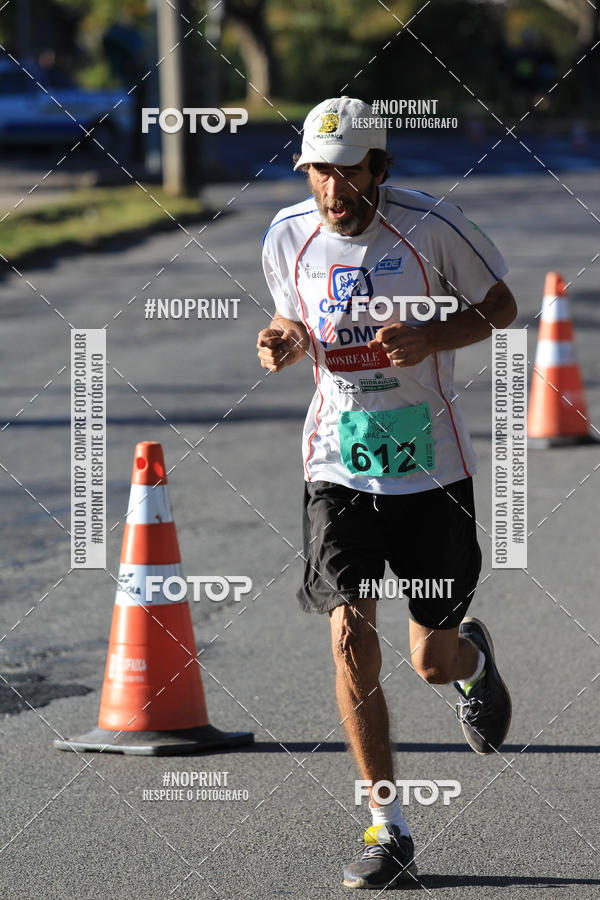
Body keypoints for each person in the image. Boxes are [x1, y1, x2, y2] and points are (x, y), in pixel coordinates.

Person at [257, 96, 515, 890]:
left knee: (431, 662)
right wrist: (282, 339)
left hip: (431, 464)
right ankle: (388, 826)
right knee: (347, 634)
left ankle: (473, 660)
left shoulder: (433, 226)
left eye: (349, 172)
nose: (334, 190)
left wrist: (434, 335)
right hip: (337, 463)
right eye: (319, 171)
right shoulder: (285, 234)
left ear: (380, 168)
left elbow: (502, 307)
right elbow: (290, 316)